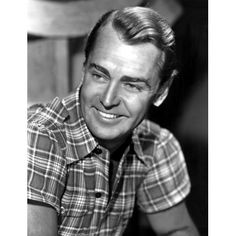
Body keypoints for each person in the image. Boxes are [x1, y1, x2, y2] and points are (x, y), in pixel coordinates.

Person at [27, 6, 199, 236]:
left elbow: (177, 230)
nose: (108, 100)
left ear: (161, 92)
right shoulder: (38, 136)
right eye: (99, 75)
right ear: (84, 69)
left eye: (131, 85)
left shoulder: (156, 146)